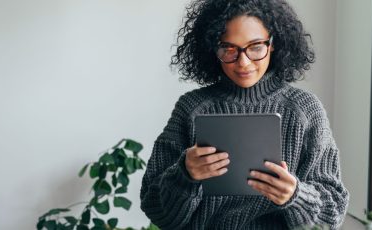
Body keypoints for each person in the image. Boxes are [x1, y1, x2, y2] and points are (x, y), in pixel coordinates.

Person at [140, 0, 349, 229]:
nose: (243, 62)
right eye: (228, 49)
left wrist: (295, 197)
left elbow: (333, 212)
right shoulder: (191, 108)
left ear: (273, 44)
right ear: (212, 48)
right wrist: (185, 175)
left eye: (256, 47)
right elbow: (155, 209)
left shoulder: (305, 110)